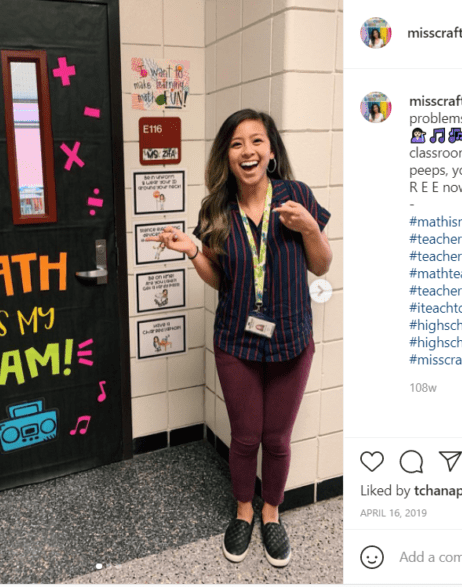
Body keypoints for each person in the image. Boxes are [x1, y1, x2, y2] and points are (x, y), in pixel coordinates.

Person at [145, 109, 332, 568]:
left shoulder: (296, 196)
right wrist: (193, 252)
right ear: (226, 155)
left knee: (278, 438)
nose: (247, 151)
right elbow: (220, 279)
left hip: (291, 339)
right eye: (236, 144)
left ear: (271, 150)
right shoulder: (214, 208)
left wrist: (309, 226)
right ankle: (244, 512)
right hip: (237, 341)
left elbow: (322, 265)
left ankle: (272, 514)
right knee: (246, 437)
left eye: (256, 141)